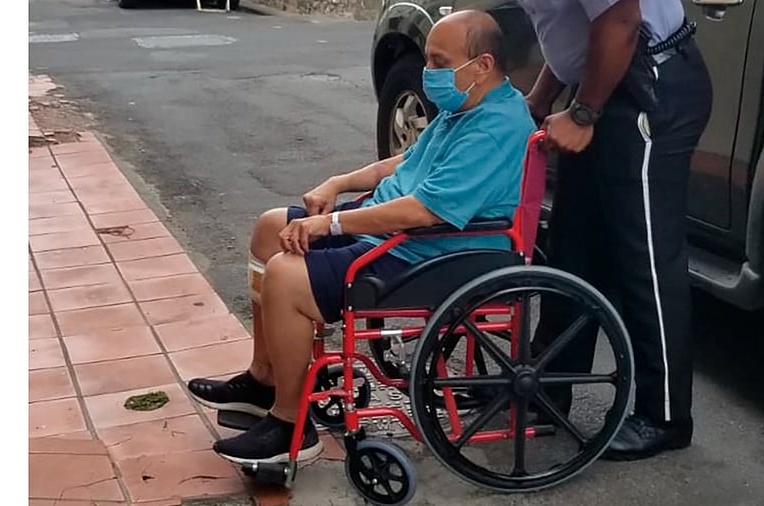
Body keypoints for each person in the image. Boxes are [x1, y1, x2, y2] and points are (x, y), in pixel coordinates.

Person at [185, 10, 536, 465]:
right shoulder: (464, 108)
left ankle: (292, 424)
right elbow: (403, 164)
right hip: (397, 233)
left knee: (286, 275)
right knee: (271, 228)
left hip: (430, 252)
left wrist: (330, 224)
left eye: (437, 62)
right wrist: (338, 183)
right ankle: (265, 376)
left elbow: (425, 210)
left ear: (482, 65)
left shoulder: (494, 127)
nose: (427, 73)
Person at [516, 0, 713, 460]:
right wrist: (544, 96)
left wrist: (584, 114)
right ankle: (549, 385)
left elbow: (622, 19)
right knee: (573, 246)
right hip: (606, 80)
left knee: (646, 258)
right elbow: (573, 25)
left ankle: (664, 418)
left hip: (649, 84)